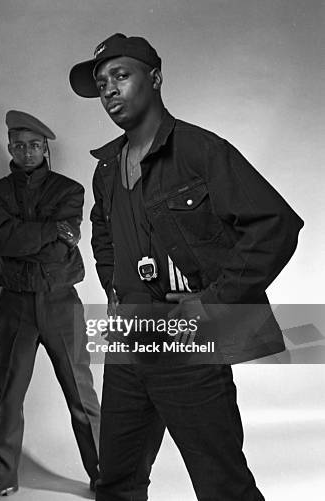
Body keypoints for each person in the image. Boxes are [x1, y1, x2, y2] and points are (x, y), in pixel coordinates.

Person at [69, 33, 303, 500]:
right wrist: (120, 294)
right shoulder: (107, 167)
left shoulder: (200, 151)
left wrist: (213, 304)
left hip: (188, 345)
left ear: (154, 78)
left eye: (120, 75)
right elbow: (105, 235)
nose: (109, 90)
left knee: (223, 486)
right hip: (128, 344)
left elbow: (274, 225)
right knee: (115, 482)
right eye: (101, 83)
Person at [0, 110, 101, 500]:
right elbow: (8, 240)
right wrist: (48, 233)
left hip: (60, 302)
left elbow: (14, 243)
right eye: (19, 146)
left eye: (34, 146)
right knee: (10, 395)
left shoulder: (70, 190)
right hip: (14, 304)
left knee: (81, 395)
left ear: (45, 148)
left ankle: (106, 476)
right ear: (10, 147)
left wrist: (13, 242)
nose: (27, 152)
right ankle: (2, 474)